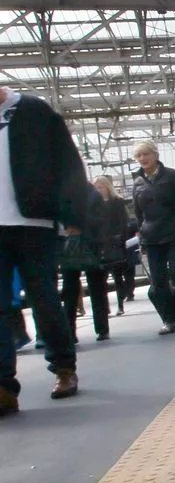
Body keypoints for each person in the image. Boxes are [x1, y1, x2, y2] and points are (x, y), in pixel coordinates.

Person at [0, 86, 91, 413]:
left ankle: (64, 369)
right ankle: (3, 387)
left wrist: (74, 213)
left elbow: (68, 162)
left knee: (44, 299)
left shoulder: (35, 112)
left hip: (35, 224)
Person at [130, 140, 175, 335]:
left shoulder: (172, 176)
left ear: (155, 155)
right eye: (139, 156)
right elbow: (139, 213)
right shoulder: (137, 182)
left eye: (146, 154)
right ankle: (168, 319)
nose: (143, 159)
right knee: (158, 280)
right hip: (152, 237)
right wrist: (141, 237)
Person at [59, 185, 112, 343]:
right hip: (70, 246)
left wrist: (78, 224)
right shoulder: (60, 193)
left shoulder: (93, 195)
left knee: (96, 288)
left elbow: (102, 220)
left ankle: (102, 329)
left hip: (90, 246)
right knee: (70, 290)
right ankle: (70, 331)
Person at [93, 176, 132, 316]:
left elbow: (123, 221)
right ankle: (106, 307)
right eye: (96, 187)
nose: (98, 190)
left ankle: (120, 304)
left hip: (115, 243)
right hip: (100, 243)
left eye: (101, 187)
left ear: (107, 187)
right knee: (101, 278)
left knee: (117, 276)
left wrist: (120, 237)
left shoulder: (117, 202)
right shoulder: (93, 204)